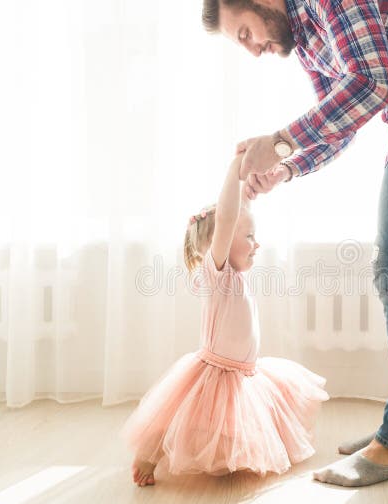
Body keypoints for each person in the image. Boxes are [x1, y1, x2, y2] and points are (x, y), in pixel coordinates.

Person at [202, 0, 388, 486]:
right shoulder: (305, 39)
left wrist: (280, 138)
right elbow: (341, 118)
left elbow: (372, 85)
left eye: (244, 34)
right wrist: (285, 167)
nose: (254, 51)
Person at [121, 154, 329, 486]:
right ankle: (149, 455)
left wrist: (249, 187)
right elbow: (230, 214)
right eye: (248, 238)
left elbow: (238, 214)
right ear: (218, 242)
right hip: (216, 368)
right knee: (181, 416)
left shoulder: (235, 275)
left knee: (232, 424)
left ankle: (225, 457)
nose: (256, 243)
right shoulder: (216, 273)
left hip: (245, 370)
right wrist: (233, 172)